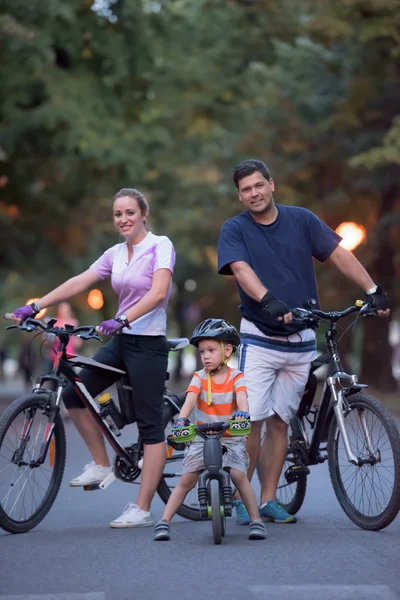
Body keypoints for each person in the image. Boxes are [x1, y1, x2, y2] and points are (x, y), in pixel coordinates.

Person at [217, 159, 391, 525]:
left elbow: (339, 254)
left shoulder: (302, 220)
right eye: (246, 189)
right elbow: (241, 270)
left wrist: (372, 289)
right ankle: (239, 497)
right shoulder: (234, 229)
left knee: (280, 422)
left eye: (259, 185)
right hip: (260, 339)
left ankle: (267, 501)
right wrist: (268, 300)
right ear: (239, 195)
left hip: (301, 340)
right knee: (252, 422)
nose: (254, 193)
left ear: (271, 184)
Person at [10, 188, 176, 529]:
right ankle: (101, 463)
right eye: (117, 214)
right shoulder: (115, 253)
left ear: (144, 213)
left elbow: (159, 293)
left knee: (150, 427)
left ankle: (142, 508)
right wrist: (37, 305)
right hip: (122, 341)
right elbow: (80, 281)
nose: (123, 219)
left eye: (130, 212)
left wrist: (124, 318)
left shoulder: (161, 245)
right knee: (74, 394)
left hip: (147, 344)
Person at [153, 318, 267, 541]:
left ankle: (256, 520)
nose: (205, 355)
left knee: (238, 475)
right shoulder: (199, 377)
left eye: (211, 350)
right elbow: (190, 399)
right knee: (187, 479)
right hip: (202, 437)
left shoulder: (236, 377)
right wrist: (182, 419)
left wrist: (243, 413)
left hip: (230, 437)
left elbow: (242, 398)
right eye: (202, 351)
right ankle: (164, 521)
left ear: (227, 350)